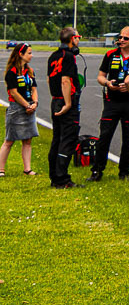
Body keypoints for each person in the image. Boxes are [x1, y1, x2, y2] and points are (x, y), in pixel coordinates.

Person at [91, 26, 129, 181]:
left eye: (125, 38)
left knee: (128, 140)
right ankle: (97, 171)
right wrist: (107, 83)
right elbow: (100, 76)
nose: (121, 40)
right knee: (104, 137)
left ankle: (124, 173)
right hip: (111, 102)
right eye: (120, 37)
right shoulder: (110, 54)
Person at [47, 27, 83, 189]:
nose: (79, 40)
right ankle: (62, 179)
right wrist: (68, 103)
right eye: (78, 37)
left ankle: (55, 176)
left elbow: (49, 80)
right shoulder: (68, 56)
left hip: (55, 99)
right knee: (68, 139)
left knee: (57, 138)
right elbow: (65, 80)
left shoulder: (53, 56)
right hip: (66, 101)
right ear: (73, 39)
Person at [2, 43, 40, 177]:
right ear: (20, 54)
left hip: (30, 107)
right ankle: (1, 169)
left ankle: (27, 169)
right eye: (29, 53)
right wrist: (26, 105)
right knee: (9, 140)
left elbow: (34, 89)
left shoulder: (30, 71)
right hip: (16, 108)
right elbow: (14, 92)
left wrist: (35, 103)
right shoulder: (11, 72)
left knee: (28, 140)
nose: (31, 55)